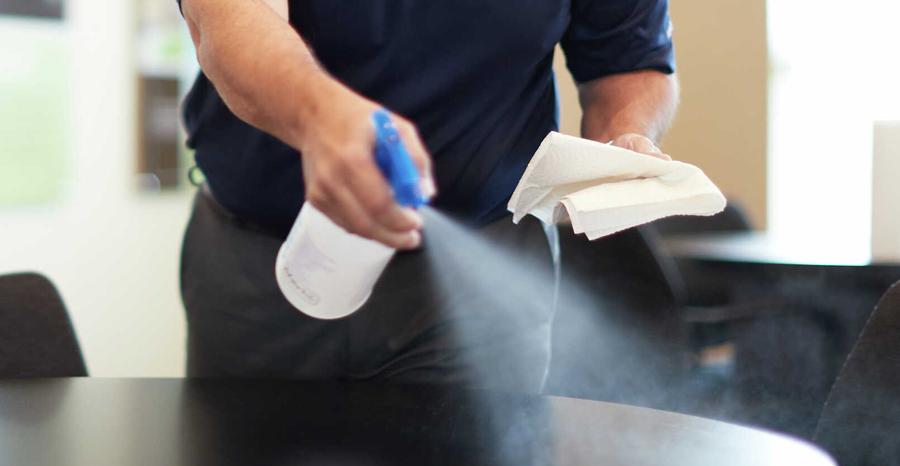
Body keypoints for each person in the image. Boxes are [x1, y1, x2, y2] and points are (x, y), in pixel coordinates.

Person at [176, 0, 679, 391]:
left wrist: (623, 136)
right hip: (261, 271)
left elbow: (629, 63)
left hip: (482, 275)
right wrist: (322, 116)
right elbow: (228, 22)